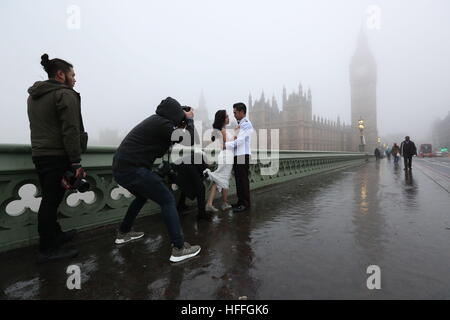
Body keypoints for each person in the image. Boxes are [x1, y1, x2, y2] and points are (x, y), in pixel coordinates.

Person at [112, 97, 201, 263]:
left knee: (141, 196)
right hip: (132, 169)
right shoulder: (163, 124)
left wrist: (180, 123)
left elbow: (169, 141)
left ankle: (123, 233)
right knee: (167, 199)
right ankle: (179, 248)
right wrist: (189, 120)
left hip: (121, 169)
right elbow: (189, 139)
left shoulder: (157, 121)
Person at [27, 54, 88, 263]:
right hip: (57, 155)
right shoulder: (65, 94)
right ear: (61, 75)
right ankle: (47, 249)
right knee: (51, 202)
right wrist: (75, 162)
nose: (75, 79)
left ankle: (55, 235)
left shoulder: (34, 95)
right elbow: (70, 130)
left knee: (50, 199)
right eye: (72, 74)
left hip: (40, 154)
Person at [203, 110, 236, 212]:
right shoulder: (222, 131)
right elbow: (225, 146)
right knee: (223, 178)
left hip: (225, 157)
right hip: (226, 157)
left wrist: (234, 137)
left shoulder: (222, 130)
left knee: (219, 180)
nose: (228, 118)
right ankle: (224, 203)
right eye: (226, 116)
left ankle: (210, 203)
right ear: (222, 119)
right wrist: (235, 140)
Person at [225, 103, 253, 213]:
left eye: (235, 112)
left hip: (243, 155)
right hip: (238, 155)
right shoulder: (241, 124)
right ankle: (240, 201)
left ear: (242, 112)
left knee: (243, 180)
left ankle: (245, 204)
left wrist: (226, 145)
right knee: (238, 179)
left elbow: (240, 141)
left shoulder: (246, 124)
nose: (234, 115)